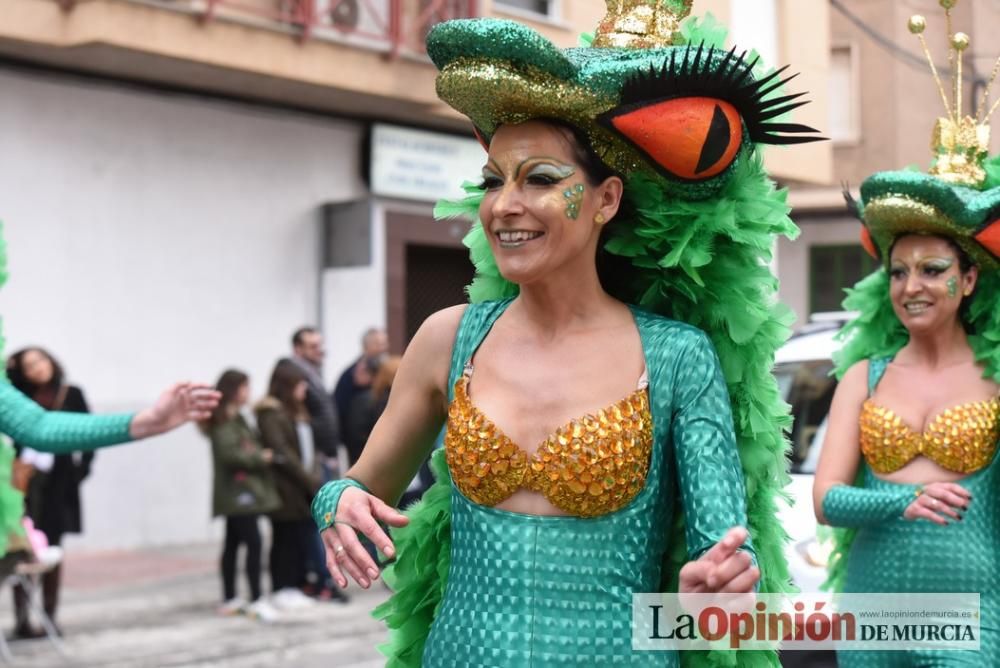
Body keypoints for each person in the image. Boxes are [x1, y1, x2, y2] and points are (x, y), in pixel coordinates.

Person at [311, 3, 824, 666]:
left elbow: (725, 548)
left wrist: (719, 587)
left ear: (606, 200)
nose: (504, 206)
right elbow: (358, 485)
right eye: (493, 181)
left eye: (542, 180)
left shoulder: (675, 357)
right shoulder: (448, 339)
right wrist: (338, 505)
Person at [813, 7, 1000, 666]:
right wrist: (905, 501)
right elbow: (827, 501)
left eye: (933, 269)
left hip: (974, 612)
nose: (911, 285)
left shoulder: (997, 378)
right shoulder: (864, 374)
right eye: (898, 271)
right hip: (873, 610)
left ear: (969, 279)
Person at [5, 347, 97, 638]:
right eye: (29, 365)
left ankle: (49, 616)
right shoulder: (16, 399)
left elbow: (90, 432)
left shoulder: (70, 394)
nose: (37, 368)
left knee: (53, 548)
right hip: (23, 482)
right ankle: (22, 619)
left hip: (59, 482)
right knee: (22, 548)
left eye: (40, 360)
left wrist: (80, 471)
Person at [201, 370, 280, 623]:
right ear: (234, 390)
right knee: (253, 543)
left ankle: (230, 598)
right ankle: (256, 599)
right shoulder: (225, 421)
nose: (248, 393)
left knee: (234, 544)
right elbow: (231, 455)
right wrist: (260, 457)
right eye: (245, 387)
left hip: (238, 494)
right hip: (239, 495)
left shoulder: (235, 419)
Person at [256, 362, 328, 609]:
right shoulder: (271, 413)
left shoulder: (298, 410)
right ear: (287, 386)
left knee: (299, 535)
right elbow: (282, 451)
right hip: (285, 486)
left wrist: (314, 473)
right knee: (284, 537)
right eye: (299, 384)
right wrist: (308, 478)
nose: (304, 388)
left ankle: (297, 584)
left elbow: (311, 446)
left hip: (304, 484)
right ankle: (281, 587)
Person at [333, 328, 388, 465]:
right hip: (360, 444)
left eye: (384, 343)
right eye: (378, 344)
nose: (384, 348)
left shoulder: (386, 369)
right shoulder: (351, 375)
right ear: (366, 346)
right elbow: (340, 408)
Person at [285, 327, 340, 459]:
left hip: (324, 453)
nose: (319, 350)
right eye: (313, 346)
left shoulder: (313, 374)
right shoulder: (292, 376)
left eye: (320, 345)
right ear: (298, 349)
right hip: (311, 453)